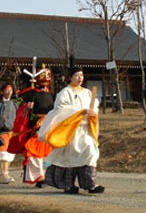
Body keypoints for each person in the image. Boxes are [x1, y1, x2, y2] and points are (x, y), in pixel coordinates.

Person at [40, 66, 105, 194]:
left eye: (81, 75)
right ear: (70, 77)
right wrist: (81, 112)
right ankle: (67, 184)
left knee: (91, 153)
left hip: (85, 130)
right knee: (68, 158)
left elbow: (94, 107)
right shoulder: (64, 93)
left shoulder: (87, 93)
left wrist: (93, 112)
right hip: (70, 130)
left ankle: (90, 185)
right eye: (76, 75)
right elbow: (61, 110)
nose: (79, 78)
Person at [9, 66, 54, 188]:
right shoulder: (29, 93)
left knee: (47, 152)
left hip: (49, 125)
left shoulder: (51, 94)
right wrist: (27, 107)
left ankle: (46, 176)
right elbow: (18, 106)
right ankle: (38, 177)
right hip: (35, 125)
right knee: (34, 150)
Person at [0, 84, 17, 184]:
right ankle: (4, 173)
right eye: (7, 90)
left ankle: (5, 173)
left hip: (11, 132)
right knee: (3, 154)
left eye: (10, 90)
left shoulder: (14, 104)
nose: (9, 92)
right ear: (2, 91)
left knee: (9, 154)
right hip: (1, 132)